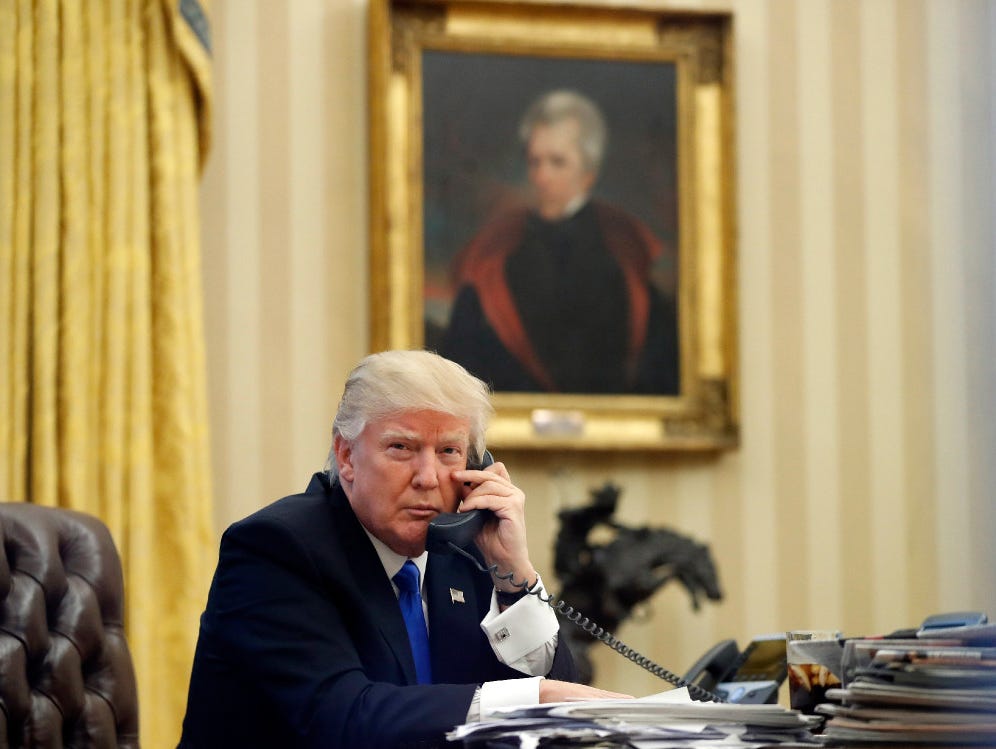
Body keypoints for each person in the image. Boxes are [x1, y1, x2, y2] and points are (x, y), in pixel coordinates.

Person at [178, 349, 629, 749]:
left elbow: (562, 709)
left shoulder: (465, 549)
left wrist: (515, 574)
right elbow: (343, 719)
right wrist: (535, 698)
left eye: (449, 451)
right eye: (402, 448)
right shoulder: (276, 549)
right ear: (347, 456)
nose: (429, 477)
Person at [441, 89, 680, 395]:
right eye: (535, 162)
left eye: (557, 162)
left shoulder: (625, 250)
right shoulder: (497, 249)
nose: (542, 176)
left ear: (589, 173)